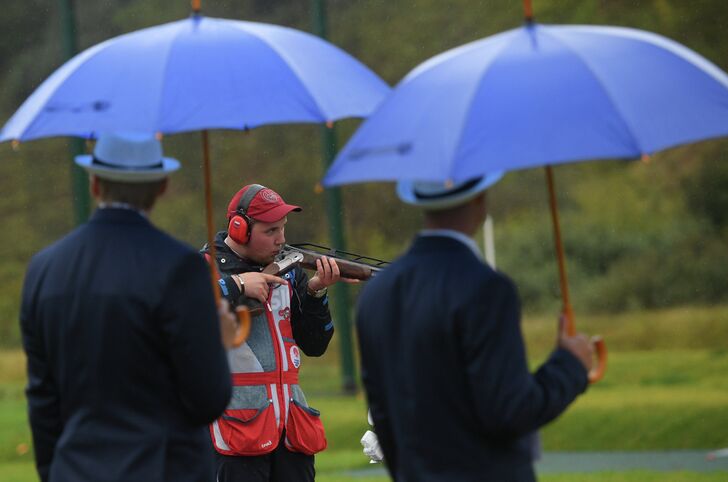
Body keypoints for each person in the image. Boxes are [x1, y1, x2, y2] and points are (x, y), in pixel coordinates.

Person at [19, 131, 236, 482]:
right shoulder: (181, 267)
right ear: (162, 185)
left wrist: (55, 471)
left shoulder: (44, 268)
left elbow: (43, 400)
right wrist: (222, 344)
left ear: (94, 184)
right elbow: (207, 399)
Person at [355, 174, 594, 482]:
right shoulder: (486, 288)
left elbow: (384, 415)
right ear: (480, 199)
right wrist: (570, 366)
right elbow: (510, 410)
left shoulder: (377, 292)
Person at [204, 183, 349, 482]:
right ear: (239, 228)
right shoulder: (204, 268)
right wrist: (237, 286)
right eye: (270, 231)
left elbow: (315, 344)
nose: (281, 239)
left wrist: (315, 291)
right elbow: (179, 309)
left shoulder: (289, 270)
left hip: (291, 434)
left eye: (282, 228)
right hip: (235, 435)